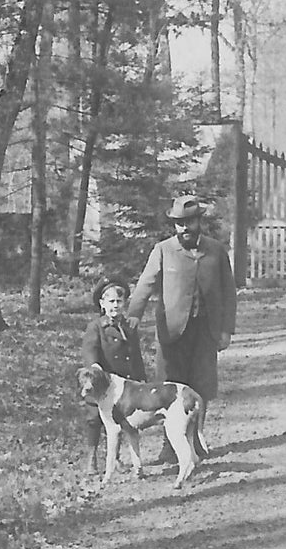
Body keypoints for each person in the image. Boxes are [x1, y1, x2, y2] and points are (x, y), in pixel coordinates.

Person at [126, 195, 237, 463]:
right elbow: (145, 284)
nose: (184, 228)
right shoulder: (163, 250)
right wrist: (132, 315)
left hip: (205, 331)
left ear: (199, 222)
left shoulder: (216, 251)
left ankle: (196, 441)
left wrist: (225, 330)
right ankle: (169, 446)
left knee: (201, 386)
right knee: (168, 389)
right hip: (172, 333)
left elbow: (228, 293)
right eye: (179, 224)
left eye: (189, 222)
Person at [78, 280, 146, 474]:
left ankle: (116, 458)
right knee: (94, 419)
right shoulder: (96, 327)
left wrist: (140, 378)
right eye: (111, 301)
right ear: (102, 304)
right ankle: (92, 459)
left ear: (124, 303)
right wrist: (94, 366)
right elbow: (89, 349)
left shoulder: (129, 327)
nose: (115, 305)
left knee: (122, 418)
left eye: (119, 301)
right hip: (101, 381)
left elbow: (135, 355)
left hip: (123, 384)